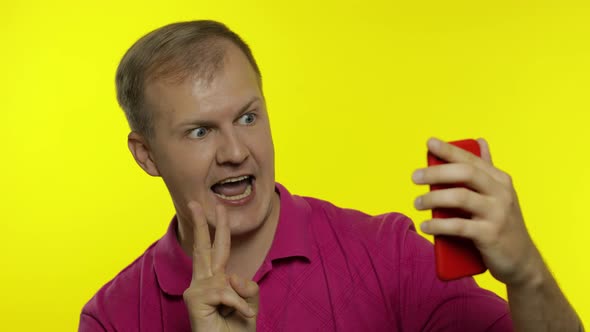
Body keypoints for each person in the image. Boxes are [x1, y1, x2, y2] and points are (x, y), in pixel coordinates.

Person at [79, 20, 584, 332]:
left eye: (248, 117)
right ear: (146, 155)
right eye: (199, 132)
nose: (236, 151)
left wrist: (527, 274)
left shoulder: (388, 255)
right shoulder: (111, 318)